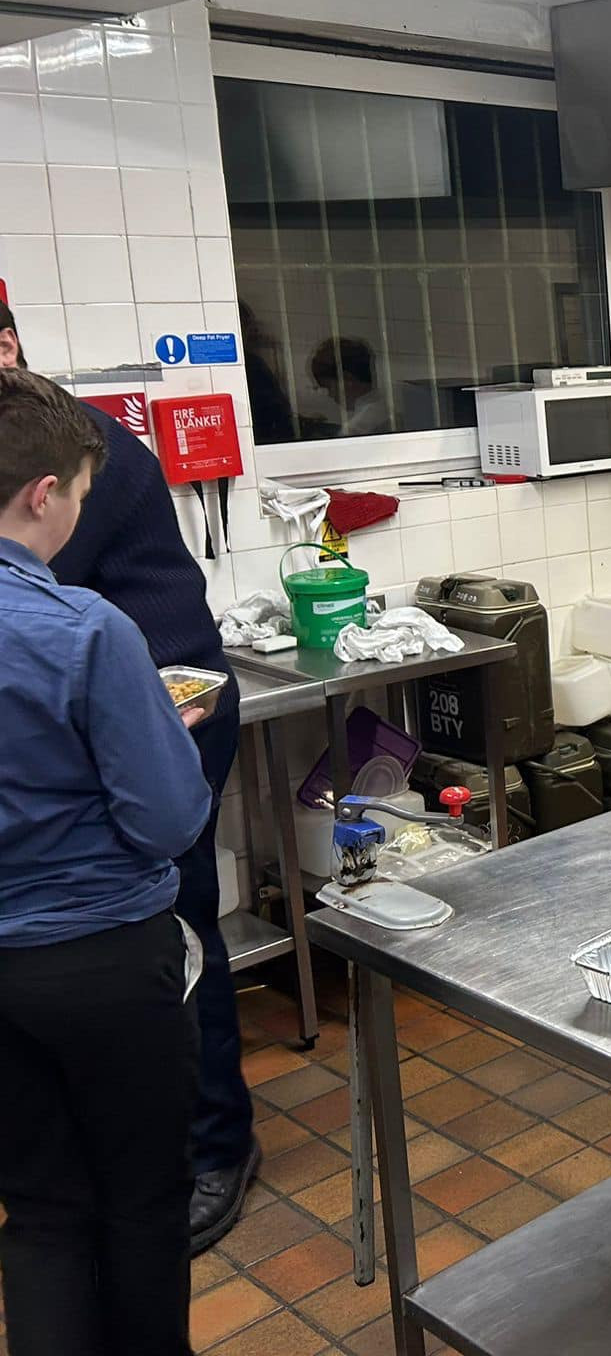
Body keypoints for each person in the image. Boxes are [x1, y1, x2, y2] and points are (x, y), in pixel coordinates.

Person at [0, 306, 263, 1250]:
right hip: (52, 742)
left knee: (176, 930)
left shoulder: (72, 452)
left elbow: (68, 624)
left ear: (6, 346)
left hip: (160, 716)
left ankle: (214, 1147)